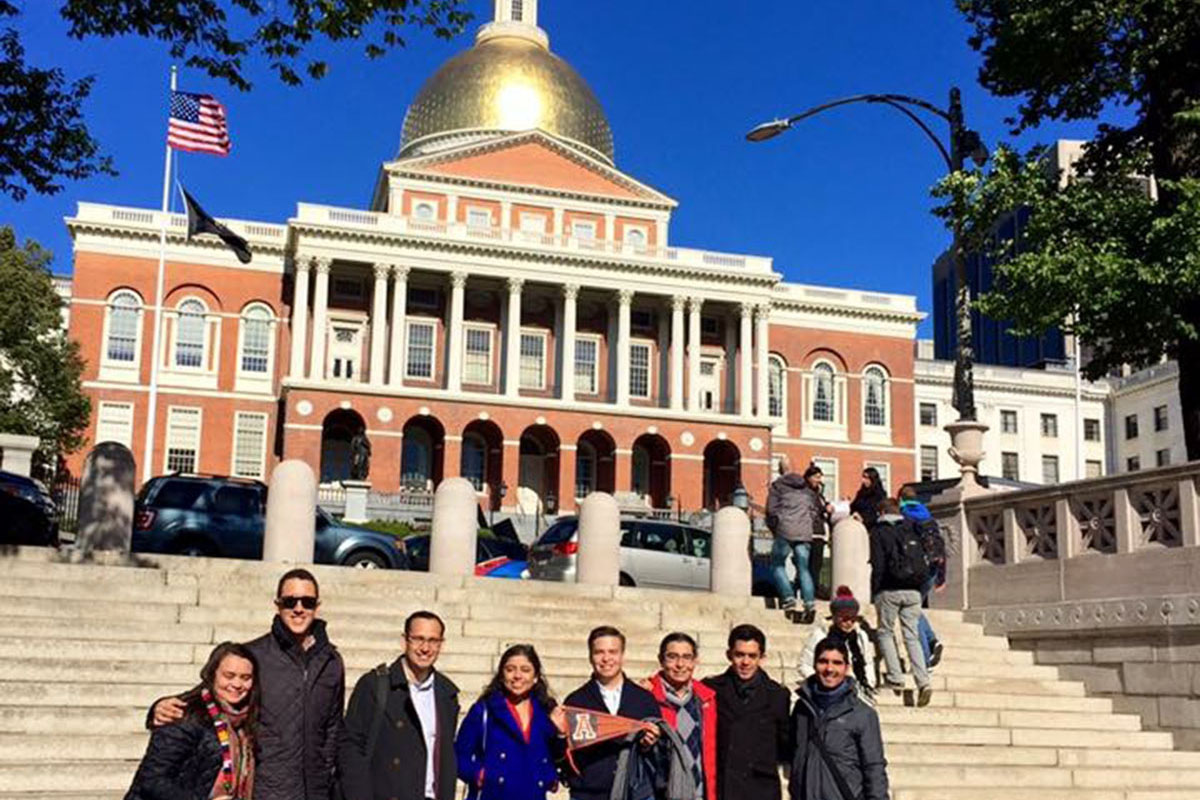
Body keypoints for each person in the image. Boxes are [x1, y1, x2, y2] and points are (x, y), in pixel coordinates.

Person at [151, 568, 345, 800]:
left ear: (317, 606)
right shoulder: (255, 655)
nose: (299, 608)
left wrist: (326, 775)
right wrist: (159, 707)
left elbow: (333, 727)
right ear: (277, 605)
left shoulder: (332, 661)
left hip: (316, 791)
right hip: (266, 789)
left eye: (308, 602)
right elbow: (208, 693)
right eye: (290, 601)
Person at [339, 610, 459, 800]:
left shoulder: (447, 694)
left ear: (441, 644)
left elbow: (445, 760)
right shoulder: (375, 684)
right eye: (418, 639)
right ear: (405, 641)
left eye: (433, 640)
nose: (425, 648)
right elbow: (351, 747)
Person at [127, 642, 259, 800]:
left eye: (245, 678)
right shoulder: (182, 713)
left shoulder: (245, 721)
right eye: (229, 676)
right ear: (212, 674)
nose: (237, 684)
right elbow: (152, 780)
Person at [455, 644, 568, 800]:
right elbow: (459, 754)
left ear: (536, 677)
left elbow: (557, 757)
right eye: (510, 669)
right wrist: (480, 775)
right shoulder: (484, 710)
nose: (517, 676)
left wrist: (561, 734)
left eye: (525, 670)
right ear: (502, 675)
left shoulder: (546, 711)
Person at [562, 626, 661, 800]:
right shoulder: (575, 701)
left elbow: (659, 752)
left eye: (612, 652)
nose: (606, 658)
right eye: (599, 652)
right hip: (589, 794)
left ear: (622, 655)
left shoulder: (645, 699)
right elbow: (566, 751)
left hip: (636, 793)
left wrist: (649, 743)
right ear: (590, 656)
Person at [789, 638, 888, 800]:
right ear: (814, 665)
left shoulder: (862, 714)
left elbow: (874, 767)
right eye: (823, 661)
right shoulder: (802, 708)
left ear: (846, 668)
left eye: (837, 663)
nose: (829, 668)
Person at [702, 624, 791, 800]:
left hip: (761, 788)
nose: (745, 662)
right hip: (724, 786)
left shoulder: (778, 695)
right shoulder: (711, 689)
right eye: (739, 655)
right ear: (729, 655)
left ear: (762, 657)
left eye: (752, 656)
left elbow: (784, 742)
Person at [870, 497, 933, 706]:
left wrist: (875, 591)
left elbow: (878, 564)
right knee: (912, 636)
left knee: (885, 632)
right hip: (914, 589)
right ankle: (923, 681)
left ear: (881, 513)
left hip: (890, 588)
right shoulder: (911, 527)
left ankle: (896, 677)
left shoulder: (879, 531)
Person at [646, 633, 718, 800]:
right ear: (661, 660)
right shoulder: (646, 696)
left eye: (687, 657)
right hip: (661, 793)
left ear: (695, 661)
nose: (680, 664)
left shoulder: (707, 698)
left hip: (699, 793)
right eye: (672, 657)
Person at [766, 458, 832, 623]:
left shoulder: (777, 486)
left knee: (777, 564)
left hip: (785, 530)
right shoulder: (805, 487)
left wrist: (776, 527)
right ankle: (809, 603)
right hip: (804, 532)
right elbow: (814, 509)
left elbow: (771, 510)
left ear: (779, 470)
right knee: (804, 568)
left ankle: (788, 598)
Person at [797, 585, 878, 704]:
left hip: (859, 694)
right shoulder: (820, 635)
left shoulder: (861, 636)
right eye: (844, 619)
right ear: (835, 617)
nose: (849, 623)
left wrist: (869, 682)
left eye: (853, 618)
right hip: (827, 694)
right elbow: (804, 665)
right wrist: (824, 681)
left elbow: (868, 662)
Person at [900, 485, 946, 668]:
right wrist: (942, 578)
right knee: (915, 606)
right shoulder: (928, 516)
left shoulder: (905, 517)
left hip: (917, 568)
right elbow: (940, 547)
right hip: (933, 566)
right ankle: (932, 641)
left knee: (911, 610)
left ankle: (926, 654)